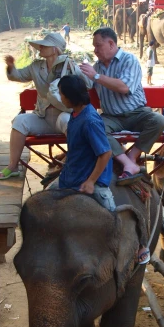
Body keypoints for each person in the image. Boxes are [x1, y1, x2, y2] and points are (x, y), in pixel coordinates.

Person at [51, 75, 150, 264]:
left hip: (90, 180)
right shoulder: (74, 115)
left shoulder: (90, 120)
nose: (60, 97)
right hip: (71, 176)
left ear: (71, 97)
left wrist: (90, 181)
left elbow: (104, 153)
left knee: (112, 218)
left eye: (62, 94)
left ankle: (140, 246)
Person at [0, 32, 92, 180]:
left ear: (54, 49)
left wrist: (79, 71)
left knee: (67, 121)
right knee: (19, 121)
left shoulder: (69, 64)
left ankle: (75, 165)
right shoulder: (35, 66)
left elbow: (88, 85)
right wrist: (10, 66)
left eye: (44, 45)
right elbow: (17, 76)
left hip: (63, 114)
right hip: (42, 116)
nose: (40, 47)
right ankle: (13, 166)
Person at [80, 27, 164, 185]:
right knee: (92, 126)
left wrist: (96, 76)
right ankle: (127, 163)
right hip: (111, 117)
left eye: (98, 45)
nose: (95, 50)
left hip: (137, 113)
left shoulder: (129, 60)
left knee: (159, 120)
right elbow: (84, 85)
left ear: (111, 44)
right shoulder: (97, 66)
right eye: (94, 46)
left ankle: (132, 157)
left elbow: (124, 87)